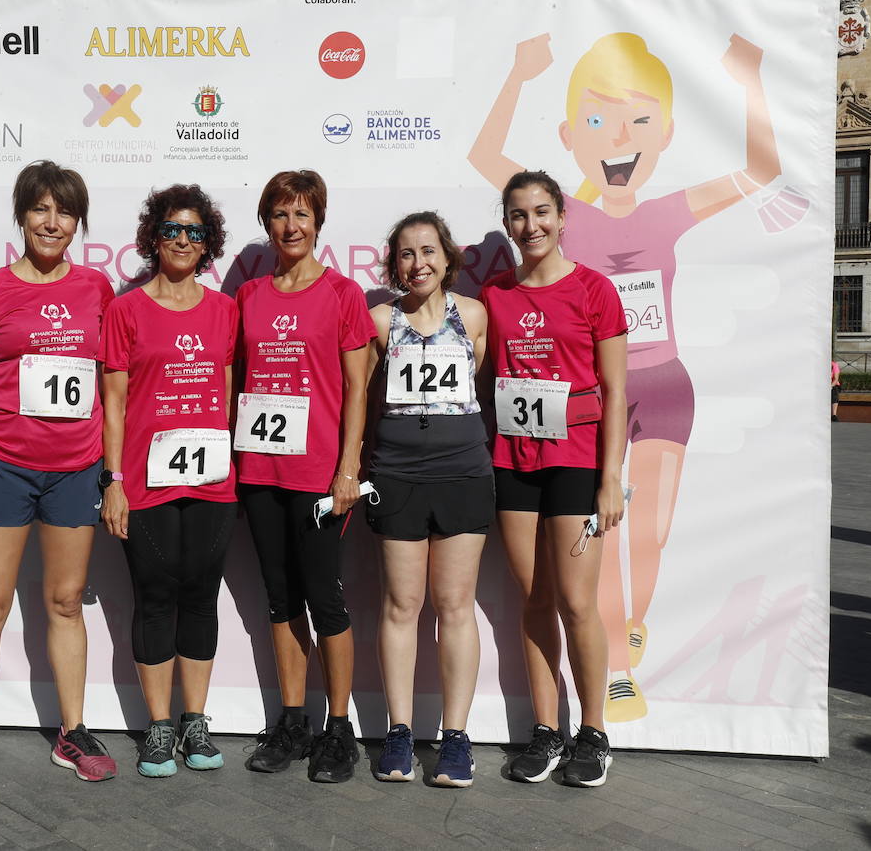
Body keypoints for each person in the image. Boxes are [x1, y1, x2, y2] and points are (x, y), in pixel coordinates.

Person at [469, 30, 781, 722]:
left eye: (639, 120)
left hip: (660, 389)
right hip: (545, 437)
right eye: (520, 215)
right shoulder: (519, 272)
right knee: (569, 583)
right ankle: (611, 679)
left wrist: (750, 80)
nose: (531, 223)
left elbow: (760, 170)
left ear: (664, 134)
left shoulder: (666, 213)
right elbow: (486, 156)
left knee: (652, 532)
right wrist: (518, 74)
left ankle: (621, 650)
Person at [0, 160, 117, 806]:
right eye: (40, 209)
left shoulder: (98, 288)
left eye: (64, 211)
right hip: (1, 464)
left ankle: (74, 732)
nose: (52, 221)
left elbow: (112, 386)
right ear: (21, 215)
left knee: (65, 602)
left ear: (78, 222)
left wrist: (112, 474)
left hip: (73, 468)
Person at [480, 171, 627, 788]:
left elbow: (618, 390)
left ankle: (593, 731)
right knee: (534, 598)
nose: (530, 226)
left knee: (576, 601)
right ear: (507, 223)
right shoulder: (493, 295)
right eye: (518, 215)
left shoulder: (595, 290)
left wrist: (610, 476)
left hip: (574, 461)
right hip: (513, 462)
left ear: (563, 217)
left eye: (542, 212)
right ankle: (546, 729)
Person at [235, 169, 375, 783]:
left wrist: (349, 467)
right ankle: (292, 721)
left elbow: (356, 388)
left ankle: (338, 729)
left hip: (320, 473)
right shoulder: (249, 296)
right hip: (260, 470)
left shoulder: (343, 295)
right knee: (280, 596)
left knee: (326, 599)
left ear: (319, 222)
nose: (290, 226)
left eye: (302, 215)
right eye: (279, 215)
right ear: (267, 223)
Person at [99, 185, 238, 778]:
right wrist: (113, 480)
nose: (184, 240)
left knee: (201, 597)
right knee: (154, 597)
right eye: (173, 230)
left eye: (195, 232)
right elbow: (113, 403)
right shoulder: (125, 309)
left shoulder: (224, 310)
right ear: (154, 237)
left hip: (211, 482)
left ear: (209, 244)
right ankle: (159, 727)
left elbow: (227, 395)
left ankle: (194, 720)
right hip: (145, 483)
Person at [364, 212, 491, 788]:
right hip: (395, 475)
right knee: (401, 603)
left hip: (462, 473)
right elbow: (362, 398)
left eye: (429, 251)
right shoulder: (379, 322)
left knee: (455, 603)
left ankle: (456, 738)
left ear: (447, 256)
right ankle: (398, 732)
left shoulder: (474, 316)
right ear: (395, 263)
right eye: (408, 254)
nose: (419, 264)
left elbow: (475, 381)